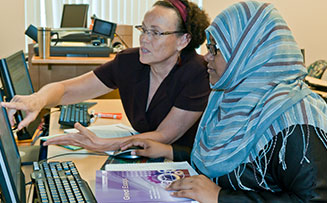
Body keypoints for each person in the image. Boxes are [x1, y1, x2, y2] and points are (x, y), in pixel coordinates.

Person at [120, 1, 327, 202]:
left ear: (245, 53)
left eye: (215, 49)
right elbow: (226, 160)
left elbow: (315, 199)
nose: (207, 57)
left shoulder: (296, 122)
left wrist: (221, 197)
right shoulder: (228, 98)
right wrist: (169, 151)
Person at [1, 0, 210, 151]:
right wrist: (37, 100)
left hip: (182, 166)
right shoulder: (130, 61)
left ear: (183, 40)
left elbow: (164, 136)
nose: (144, 39)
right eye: (143, 30)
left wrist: (103, 144)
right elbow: (67, 90)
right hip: (141, 155)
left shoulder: (198, 74)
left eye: (155, 32)